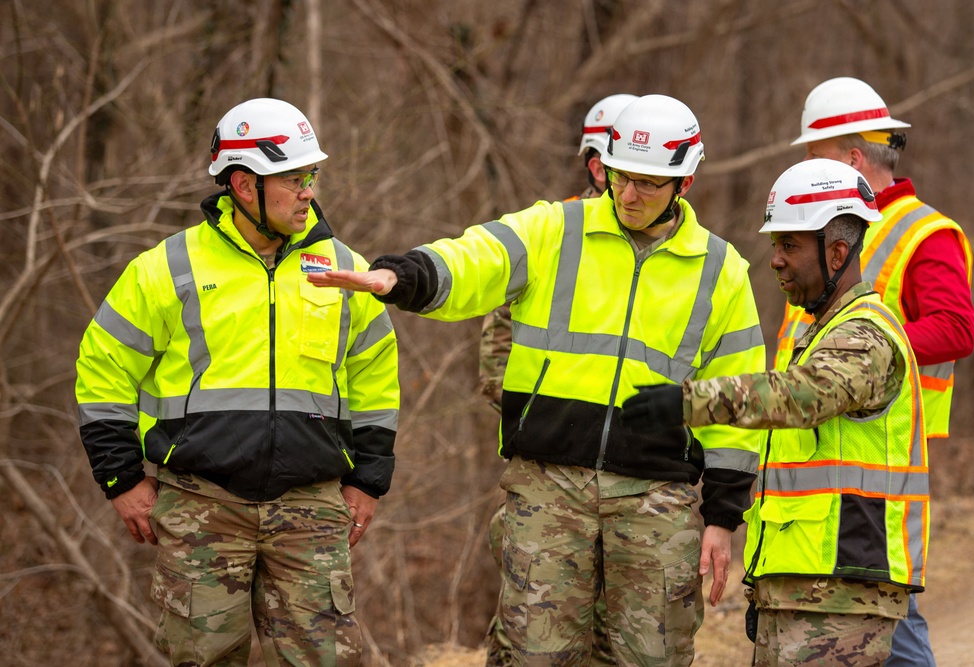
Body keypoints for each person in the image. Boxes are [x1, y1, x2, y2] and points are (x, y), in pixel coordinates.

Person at [308, 94, 766, 666]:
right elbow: (478, 257)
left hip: (658, 500)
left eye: (648, 184)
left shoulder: (722, 270)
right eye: (622, 176)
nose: (628, 194)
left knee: (653, 656)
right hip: (548, 490)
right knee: (533, 656)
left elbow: (737, 401)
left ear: (684, 182)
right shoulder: (555, 227)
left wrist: (723, 515)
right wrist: (403, 276)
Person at [75, 98, 400, 667]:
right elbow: (103, 367)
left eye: (312, 175)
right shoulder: (167, 268)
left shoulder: (343, 268)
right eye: (294, 178)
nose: (308, 191)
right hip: (202, 503)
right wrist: (120, 478)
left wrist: (369, 481)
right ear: (245, 185)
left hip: (312, 507)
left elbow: (376, 380)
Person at [623, 158, 930, 666]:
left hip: (842, 590)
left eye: (789, 246)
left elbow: (800, 397)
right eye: (775, 246)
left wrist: (688, 402)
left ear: (836, 252)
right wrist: (767, 591)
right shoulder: (820, 335)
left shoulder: (866, 335)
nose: (776, 261)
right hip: (804, 590)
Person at [777, 76, 974, 666]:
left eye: (814, 158)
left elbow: (957, 329)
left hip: (881, 454)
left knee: (884, 608)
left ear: (854, 158)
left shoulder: (923, 233)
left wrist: (864, 350)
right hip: (821, 447)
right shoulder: (828, 229)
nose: (805, 174)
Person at [479, 92, 637, 667]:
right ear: (598, 165)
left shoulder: (683, 247)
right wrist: (559, 426)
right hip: (551, 480)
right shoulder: (549, 237)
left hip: (640, 490)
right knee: (530, 636)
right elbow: (496, 361)